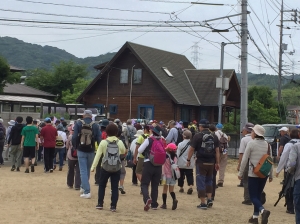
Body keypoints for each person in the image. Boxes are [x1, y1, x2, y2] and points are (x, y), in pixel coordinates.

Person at [238, 125, 273, 224]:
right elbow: (270, 160)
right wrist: (271, 175)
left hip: (253, 173)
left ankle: (263, 211)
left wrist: (240, 173)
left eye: (252, 132)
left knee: (253, 196)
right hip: (264, 173)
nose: (251, 133)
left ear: (255, 133)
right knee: (258, 195)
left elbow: (245, 159)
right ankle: (255, 217)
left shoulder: (251, 144)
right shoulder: (268, 145)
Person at [91, 123, 126, 212]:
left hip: (105, 167)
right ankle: (113, 206)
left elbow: (98, 155)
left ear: (106, 132)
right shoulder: (120, 142)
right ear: (116, 132)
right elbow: (123, 151)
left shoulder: (103, 142)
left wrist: (93, 167)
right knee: (114, 187)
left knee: (102, 185)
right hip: (116, 167)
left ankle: (100, 204)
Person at [186, 119, 220, 209]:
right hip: (211, 162)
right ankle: (209, 198)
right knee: (209, 180)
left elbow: (192, 149)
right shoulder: (214, 136)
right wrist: (217, 162)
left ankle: (203, 202)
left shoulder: (197, 136)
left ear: (200, 126)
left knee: (200, 181)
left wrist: (188, 159)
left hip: (201, 162)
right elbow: (217, 151)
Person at [72, 110, 100, 199]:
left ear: (83, 115)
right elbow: (99, 138)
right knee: (87, 170)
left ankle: (87, 191)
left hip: (81, 149)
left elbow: (74, 136)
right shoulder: (95, 125)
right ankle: (83, 187)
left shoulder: (78, 123)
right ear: (91, 116)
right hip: (91, 150)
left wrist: (75, 146)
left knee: (82, 171)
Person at [138, 125, 164, 211]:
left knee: (144, 184)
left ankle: (147, 198)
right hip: (159, 165)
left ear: (152, 132)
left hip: (148, 163)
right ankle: (154, 204)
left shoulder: (148, 140)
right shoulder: (162, 140)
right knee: (155, 185)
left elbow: (140, 150)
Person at [276, 129, 300, 214]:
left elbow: (284, 157)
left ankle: (290, 208)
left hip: (290, 169)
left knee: (288, 187)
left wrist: (278, 170)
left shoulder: (289, 144)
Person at [237, 122, 254, 205]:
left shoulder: (244, 139)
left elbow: (241, 153)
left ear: (246, 130)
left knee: (246, 180)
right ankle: (256, 196)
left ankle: (247, 198)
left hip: (247, 161)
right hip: (257, 161)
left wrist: (239, 164)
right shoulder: (258, 138)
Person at [160, 143, 178, 210]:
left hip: (166, 175)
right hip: (173, 175)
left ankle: (164, 204)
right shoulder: (175, 156)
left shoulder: (165, 156)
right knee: (171, 190)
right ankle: (174, 199)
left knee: (165, 190)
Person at [287, 139, 300, 224]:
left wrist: (290, 171)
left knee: (298, 207)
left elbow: (292, 163)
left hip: (299, 178)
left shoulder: (296, 146)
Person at [177, 130, 194, 194]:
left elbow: (178, 154)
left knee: (181, 175)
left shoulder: (180, 144)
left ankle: (181, 187)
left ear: (183, 136)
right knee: (189, 175)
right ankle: (190, 186)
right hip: (189, 162)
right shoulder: (192, 144)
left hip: (181, 163)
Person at [66, 126, 80, 190]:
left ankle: (70, 184)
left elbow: (67, 146)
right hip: (79, 155)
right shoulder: (80, 137)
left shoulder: (70, 137)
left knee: (71, 169)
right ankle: (77, 185)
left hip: (71, 155)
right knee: (78, 170)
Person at [215, 123, 229, 187]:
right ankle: (221, 180)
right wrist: (225, 152)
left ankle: (213, 180)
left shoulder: (215, 134)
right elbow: (227, 145)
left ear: (216, 127)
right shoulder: (225, 135)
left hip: (217, 151)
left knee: (215, 165)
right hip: (224, 151)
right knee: (222, 166)